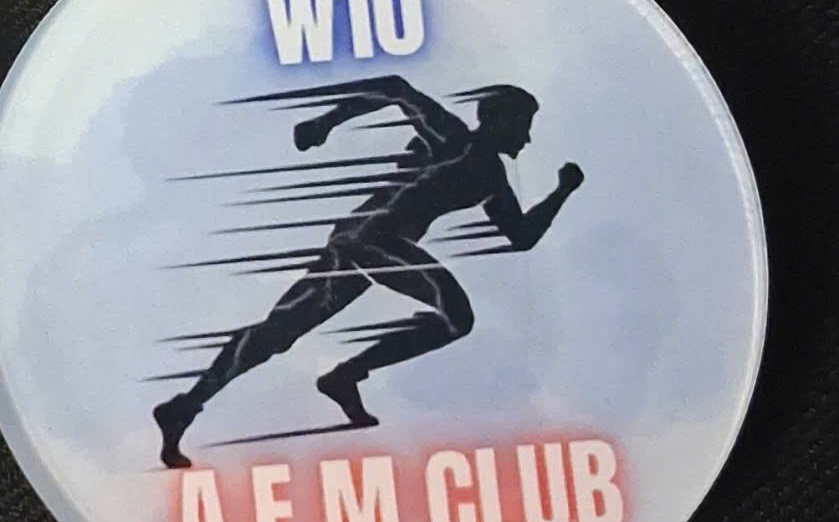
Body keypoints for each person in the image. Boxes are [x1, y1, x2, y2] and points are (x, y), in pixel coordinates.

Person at [155, 79, 582, 468]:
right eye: (523, 126)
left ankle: (186, 406)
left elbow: (521, 235)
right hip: (372, 239)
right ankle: (346, 374)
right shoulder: (450, 137)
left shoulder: (492, 177)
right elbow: (395, 88)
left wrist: (561, 192)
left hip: (365, 244)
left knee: (280, 330)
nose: (527, 138)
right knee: (455, 315)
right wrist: (324, 123)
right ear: (497, 120)